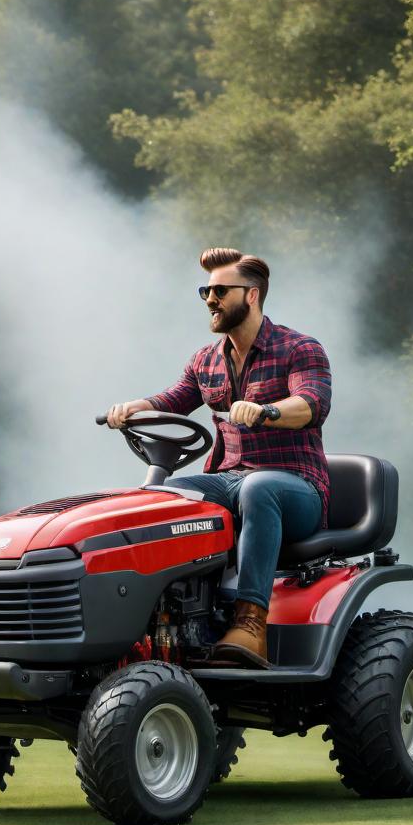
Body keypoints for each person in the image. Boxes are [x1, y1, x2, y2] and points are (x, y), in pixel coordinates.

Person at [107, 247, 332, 668]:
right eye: (205, 291)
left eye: (219, 291)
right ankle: (171, 622)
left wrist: (268, 412)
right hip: (228, 479)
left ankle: (251, 624)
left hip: (295, 487)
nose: (210, 300)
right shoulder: (205, 359)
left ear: (251, 295)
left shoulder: (300, 348)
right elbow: (175, 399)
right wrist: (136, 407)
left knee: (259, 487)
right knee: (165, 496)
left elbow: (312, 403)